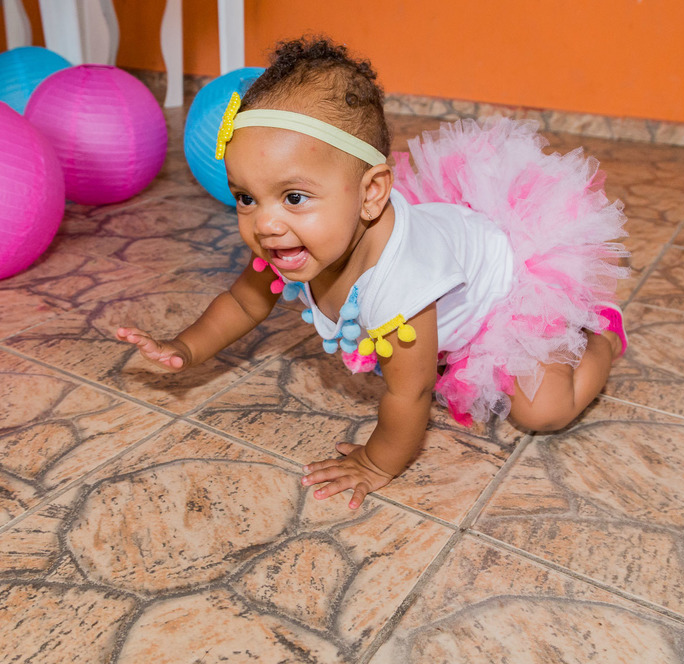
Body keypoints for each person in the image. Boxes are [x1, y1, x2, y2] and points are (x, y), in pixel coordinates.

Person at [116, 36, 628, 509]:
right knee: (417, 356)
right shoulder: (293, 239)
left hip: (510, 291)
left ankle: (601, 332)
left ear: (371, 193)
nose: (265, 224)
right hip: (449, 262)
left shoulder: (403, 282)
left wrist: (377, 462)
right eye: (246, 197)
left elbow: (410, 394)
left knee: (542, 412)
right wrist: (185, 348)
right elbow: (244, 301)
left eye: (293, 197)